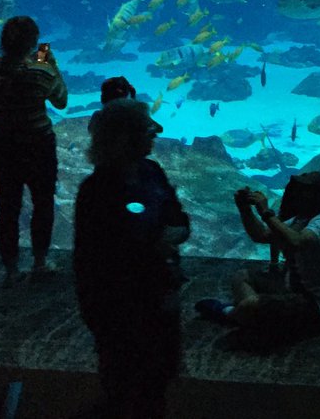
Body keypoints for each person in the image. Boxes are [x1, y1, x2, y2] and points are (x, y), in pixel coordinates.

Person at [74, 98, 190, 419]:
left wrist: (172, 235)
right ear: (125, 136)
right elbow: (94, 261)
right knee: (123, 388)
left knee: (158, 384)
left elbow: (179, 219)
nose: (157, 131)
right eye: (148, 127)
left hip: (160, 298)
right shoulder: (95, 190)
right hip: (121, 308)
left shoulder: (152, 171)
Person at [195, 171, 320, 344]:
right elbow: (261, 236)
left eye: (303, 190)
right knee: (241, 277)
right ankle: (253, 318)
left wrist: (266, 212)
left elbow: (296, 241)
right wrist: (244, 209)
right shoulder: (301, 219)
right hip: (292, 286)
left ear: (315, 196)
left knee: (249, 305)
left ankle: (230, 313)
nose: (296, 194)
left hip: (315, 306)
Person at [0, 15, 68, 287]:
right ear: (33, 43)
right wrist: (51, 67)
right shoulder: (41, 71)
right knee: (42, 203)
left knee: (8, 207)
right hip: (37, 145)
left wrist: (30, 67)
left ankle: (11, 269)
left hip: (2, 145)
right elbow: (61, 101)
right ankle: (40, 262)